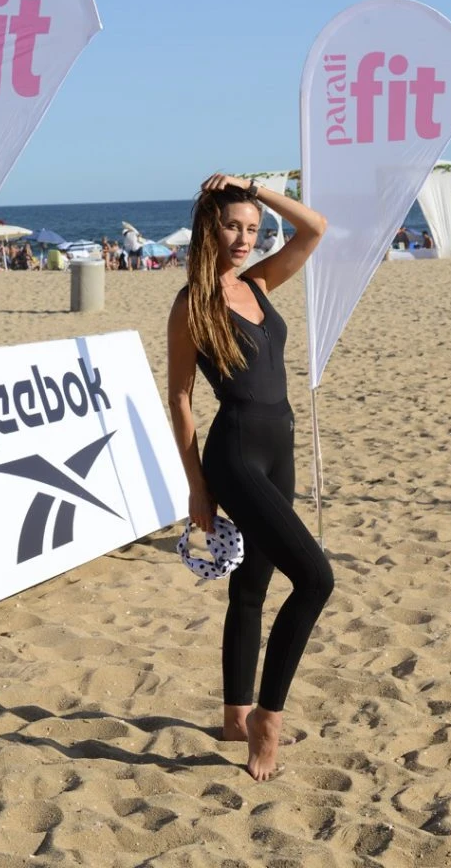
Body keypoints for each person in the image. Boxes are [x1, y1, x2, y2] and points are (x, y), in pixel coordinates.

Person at [167, 173, 334, 782]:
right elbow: (180, 397)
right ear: (208, 230)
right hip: (234, 454)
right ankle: (268, 719)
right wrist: (197, 486)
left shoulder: (257, 283)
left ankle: (235, 715)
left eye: (253, 229)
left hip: (278, 448)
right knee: (315, 579)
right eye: (232, 227)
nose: (244, 239)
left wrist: (257, 189)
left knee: (253, 587)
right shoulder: (192, 304)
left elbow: (314, 228)